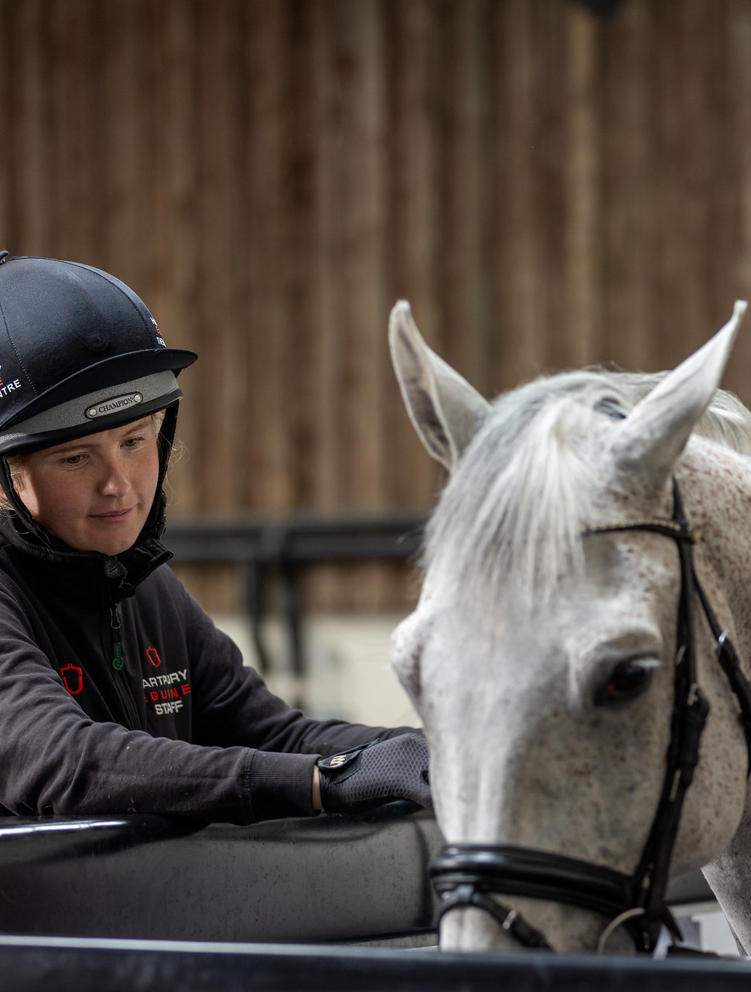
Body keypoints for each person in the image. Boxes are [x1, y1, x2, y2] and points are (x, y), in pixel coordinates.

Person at [0, 251, 430, 822]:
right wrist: (328, 781)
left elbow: (273, 735)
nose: (118, 484)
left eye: (134, 441)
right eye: (76, 458)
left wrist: (432, 752)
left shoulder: (138, 581)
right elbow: (65, 760)